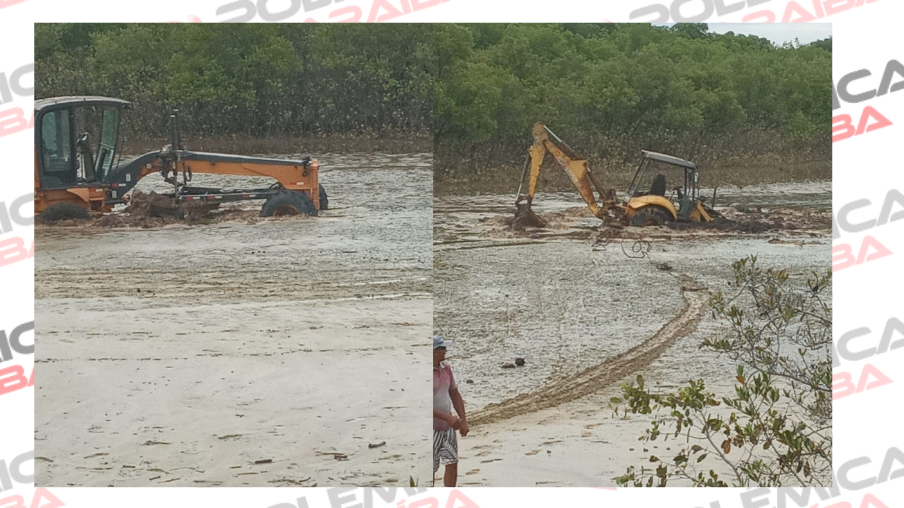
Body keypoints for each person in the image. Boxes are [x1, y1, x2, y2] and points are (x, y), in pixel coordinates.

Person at [433, 335, 468, 487]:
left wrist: (463, 419)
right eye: (442, 348)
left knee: (452, 463)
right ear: (434, 352)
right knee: (430, 469)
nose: (446, 351)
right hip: (431, 429)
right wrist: (447, 418)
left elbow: (454, 393)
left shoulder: (446, 368)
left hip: (447, 429)